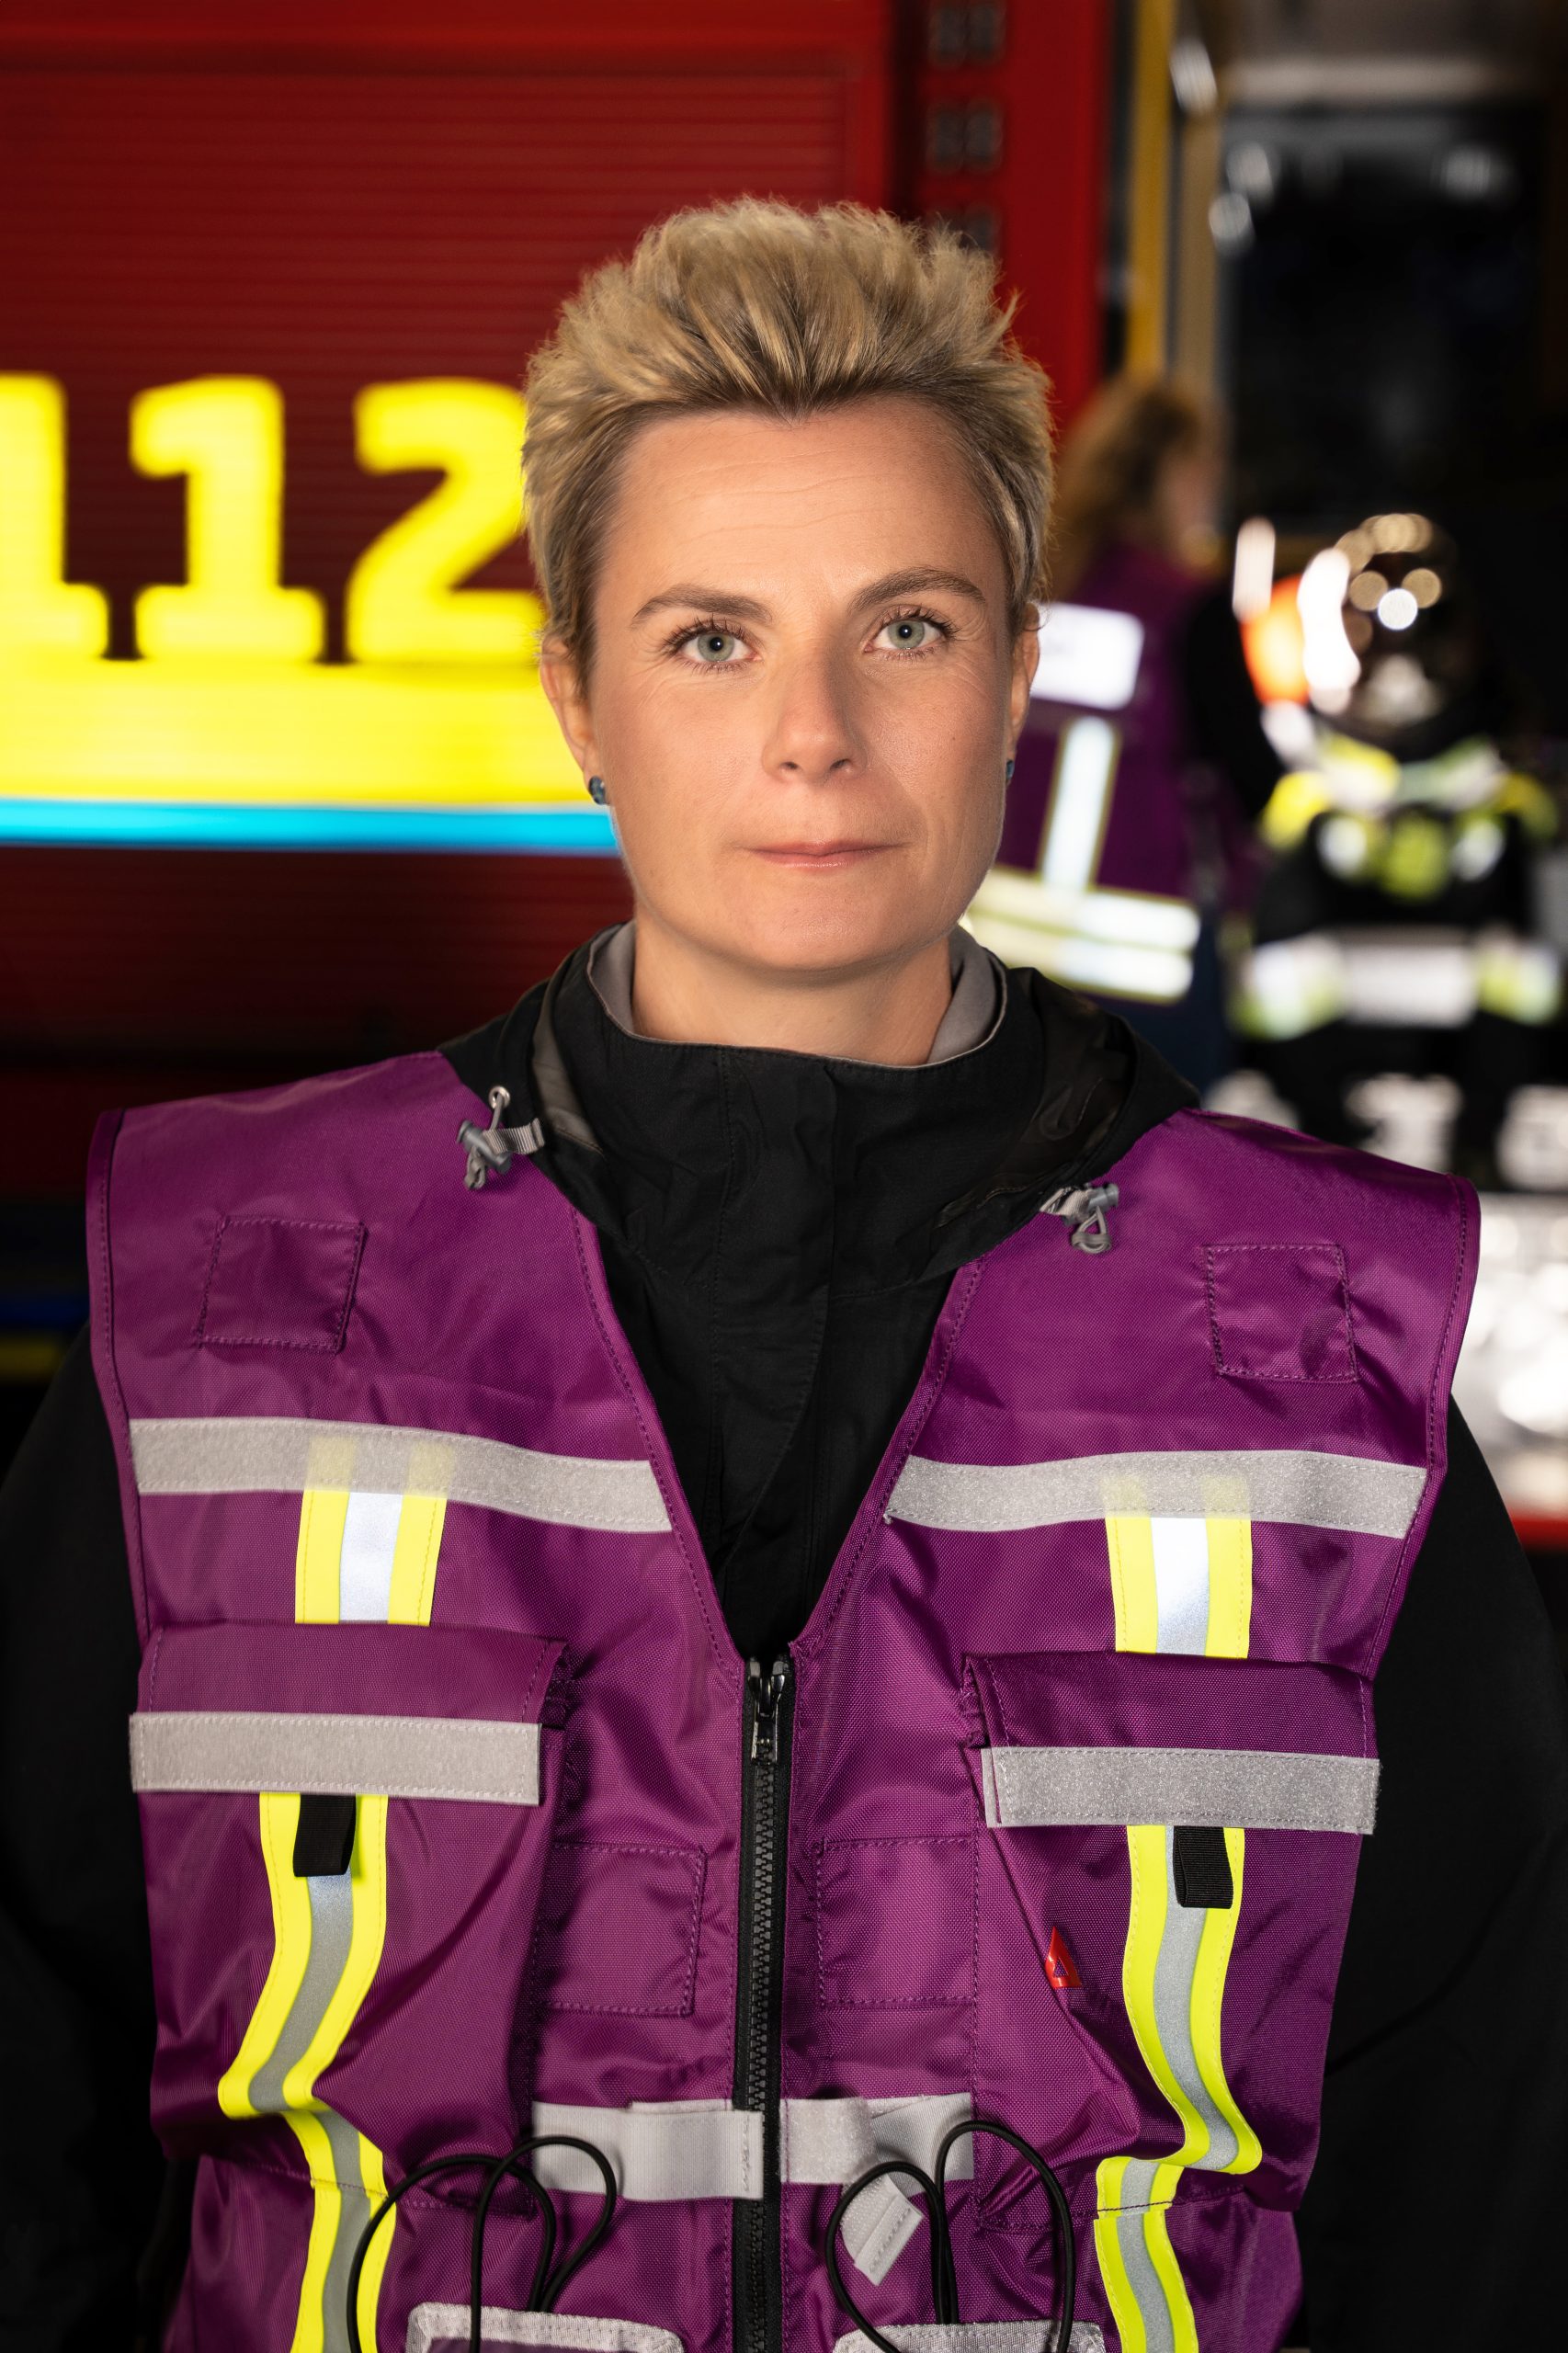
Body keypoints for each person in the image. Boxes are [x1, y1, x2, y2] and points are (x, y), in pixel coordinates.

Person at [1, 201, 1564, 2353]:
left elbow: (1471, 2196)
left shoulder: (1329, 1369)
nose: (814, 733)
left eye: (902, 627)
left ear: (1013, 674)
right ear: (574, 695)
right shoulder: (217, 1311)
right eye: (709, 639)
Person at [966, 376, 1281, 1096]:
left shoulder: (1034, 594)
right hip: (1148, 978)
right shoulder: (1187, 610)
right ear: (1179, 475)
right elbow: (1257, 782)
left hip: (1008, 969)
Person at [1233, 513, 1561, 1178]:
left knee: (1525, 940)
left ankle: (1479, 1134)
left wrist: (1481, 826)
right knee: (1275, 932)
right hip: (1343, 904)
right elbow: (1270, 825)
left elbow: (1532, 804)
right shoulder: (1299, 715)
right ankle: (1325, 1131)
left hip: (1459, 901)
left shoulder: (1501, 714)